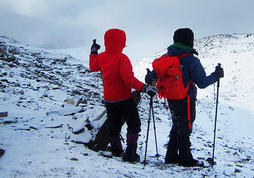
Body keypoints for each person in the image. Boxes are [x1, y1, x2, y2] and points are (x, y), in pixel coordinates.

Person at [151, 28, 224, 167]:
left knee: (177, 125)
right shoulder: (191, 60)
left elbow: (155, 74)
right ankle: (185, 159)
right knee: (185, 127)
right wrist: (216, 76)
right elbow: (202, 83)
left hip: (171, 97)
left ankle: (171, 156)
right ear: (190, 41)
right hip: (186, 99)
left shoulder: (167, 57)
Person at [89, 28, 157, 162]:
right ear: (121, 41)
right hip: (124, 98)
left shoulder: (101, 56)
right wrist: (144, 88)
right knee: (134, 123)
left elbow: (93, 67)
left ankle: (116, 150)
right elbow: (128, 79)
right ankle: (130, 153)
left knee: (114, 124)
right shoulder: (122, 58)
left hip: (109, 98)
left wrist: (93, 52)